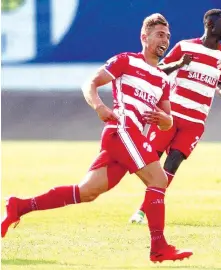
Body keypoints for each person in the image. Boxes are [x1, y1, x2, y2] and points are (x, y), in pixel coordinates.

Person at [1, 13, 193, 262]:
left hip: (128, 140)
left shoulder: (163, 80)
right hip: (123, 131)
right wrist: (100, 107)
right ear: (144, 37)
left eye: (167, 36)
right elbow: (89, 83)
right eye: (159, 34)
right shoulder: (126, 61)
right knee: (158, 179)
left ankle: (19, 206)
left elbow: (168, 121)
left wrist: (165, 121)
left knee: (87, 192)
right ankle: (159, 248)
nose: (165, 40)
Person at [130, 9, 221, 224]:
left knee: (172, 164)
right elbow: (159, 69)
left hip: (196, 122)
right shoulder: (185, 47)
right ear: (209, 24)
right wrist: (179, 64)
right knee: (149, 162)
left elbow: (219, 82)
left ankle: (144, 210)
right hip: (169, 116)